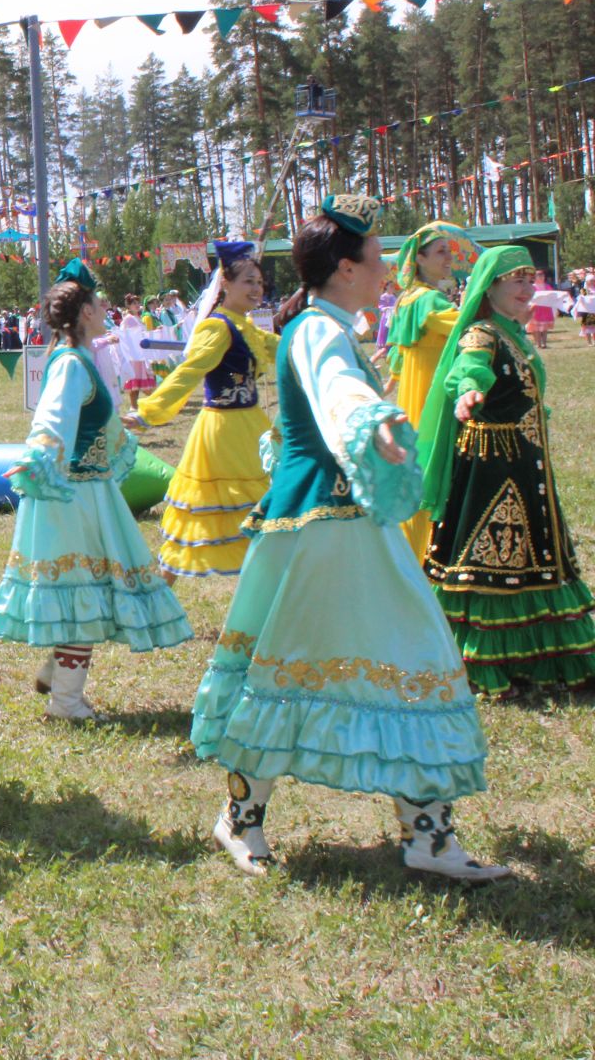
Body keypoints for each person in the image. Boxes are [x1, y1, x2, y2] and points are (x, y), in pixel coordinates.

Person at [192, 196, 506, 881]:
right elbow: (338, 395)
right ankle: (241, 820)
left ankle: (427, 835)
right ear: (345, 268)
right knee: (294, 664)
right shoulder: (316, 331)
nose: (388, 266)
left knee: (398, 656)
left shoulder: (328, 322)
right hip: (320, 527)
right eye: (377, 257)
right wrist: (377, 423)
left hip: (349, 522)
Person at [0, 260, 193, 720]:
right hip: (73, 495)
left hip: (89, 490)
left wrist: (124, 424)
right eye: (99, 303)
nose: (106, 310)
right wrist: (39, 457)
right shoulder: (72, 364)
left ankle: (58, 675)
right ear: (84, 313)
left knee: (92, 589)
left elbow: (92, 420)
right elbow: (53, 419)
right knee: (85, 592)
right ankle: (66, 703)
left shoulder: (82, 361)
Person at [416, 245, 595, 697]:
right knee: (494, 556)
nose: (526, 288)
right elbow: (468, 370)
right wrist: (467, 392)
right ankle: (483, 659)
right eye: (515, 280)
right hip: (494, 470)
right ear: (489, 287)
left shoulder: (511, 332)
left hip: (523, 460)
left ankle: (538, 654)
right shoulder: (482, 333)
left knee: (531, 551)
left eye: (529, 279)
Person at [128, 242, 278, 580]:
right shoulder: (218, 327)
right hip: (223, 432)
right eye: (248, 282)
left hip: (252, 427)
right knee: (203, 515)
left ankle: (259, 598)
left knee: (261, 510)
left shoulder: (247, 326)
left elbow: (282, 348)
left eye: (259, 282)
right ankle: (161, 593)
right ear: (225, 284)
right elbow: (187, 373)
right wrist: (147, 413)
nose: (256, 288)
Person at [385, 221, 473, 559]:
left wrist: (393, 378)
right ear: (419, 259)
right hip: (429, 393)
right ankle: (427, 550)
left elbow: (399, 349)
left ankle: (413, 546)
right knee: (433, 462)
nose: (448, 258)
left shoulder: (408, 298)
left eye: (448, 252)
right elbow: (462, 325)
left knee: (417, 462)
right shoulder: (430, 299)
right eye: (440, 252)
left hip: (414, 388)